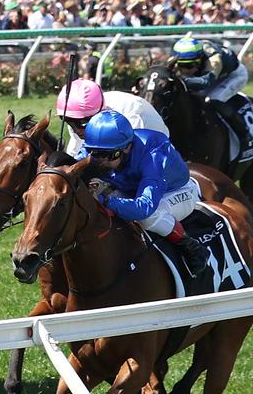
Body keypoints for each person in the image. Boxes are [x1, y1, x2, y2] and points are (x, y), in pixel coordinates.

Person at [81, 110, 209, 277]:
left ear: (127, 147)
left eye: (108, 155)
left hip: (176, 192)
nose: (100, 160)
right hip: (131, 191)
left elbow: (144, 207)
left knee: (146, 218)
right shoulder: (96, 151)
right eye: (94, 153)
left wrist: (106, 201)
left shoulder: (154, 152)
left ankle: (190, 245)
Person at [169, 38, 251, 150]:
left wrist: (180, 80)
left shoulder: (214, 59)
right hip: (210, 76)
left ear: (201, 57)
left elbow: (205, 82)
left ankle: (243, 135)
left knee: (212, 99)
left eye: (190, 65)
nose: (185, 71)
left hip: (233, 76)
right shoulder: (175, 59)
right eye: (181, 65)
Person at [56, 79, 168, 158]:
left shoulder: (130, 116)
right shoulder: (79, 119)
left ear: (99, 112)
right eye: (69, 122)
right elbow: (74, 155)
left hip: (154, 155)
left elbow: (133, 161)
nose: (75, 129)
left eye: (80, 123)